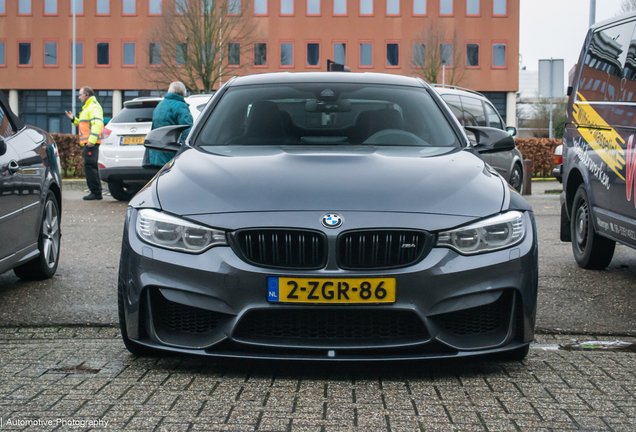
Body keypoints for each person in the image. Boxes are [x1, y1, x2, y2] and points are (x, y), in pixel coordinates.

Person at [65, 86, 104, 200]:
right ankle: (96, 192)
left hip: (91, 142)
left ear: (87, 94)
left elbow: (97, 124)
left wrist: (92, 140)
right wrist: (73, 119)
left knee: (90, 167)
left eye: (80, 94)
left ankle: (95, 192)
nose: (79, 97)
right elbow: (83, 124)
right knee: (90, 167)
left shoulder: (93, 107)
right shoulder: (88, 107)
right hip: (89, 142)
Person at [145, 81, 193, 168]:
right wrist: (189, 146)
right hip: (171, 151)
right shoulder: (181, 106)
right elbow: (187, 128)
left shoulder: (161, 104)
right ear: (183, 91)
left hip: (157, 151)